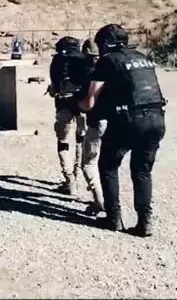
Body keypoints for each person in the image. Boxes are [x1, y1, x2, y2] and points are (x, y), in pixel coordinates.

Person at [78, 24, 167, 237]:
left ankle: (113, 218)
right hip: (157, 119)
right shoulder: (143, 58)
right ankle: (145, 222)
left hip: (129, 120)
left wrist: (75, 104)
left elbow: (90, 102)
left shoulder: (108, 60)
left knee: (108, 166)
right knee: (142, 171)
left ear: (106, 43)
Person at [48, 36, 86, 195]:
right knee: (80, 141)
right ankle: (79, 175)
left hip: (64, 105)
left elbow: (54, 87)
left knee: (63, 143)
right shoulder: (85, 60)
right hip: (83, 105)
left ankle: (70, 181)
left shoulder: (57, 61)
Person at [75, 39, 104, 213]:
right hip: (114, 122)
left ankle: (100, 200)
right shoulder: (110, 68)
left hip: (96, 121)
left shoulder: (89, 74)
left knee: (88, 164)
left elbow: (88, 102)